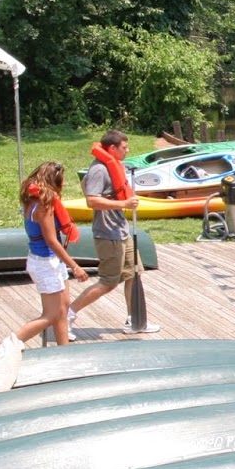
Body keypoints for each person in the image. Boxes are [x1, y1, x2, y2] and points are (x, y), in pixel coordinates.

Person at [68, 130, 159, 334]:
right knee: (109, 282)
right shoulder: (99, 170)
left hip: (122, 231)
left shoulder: (114, 166)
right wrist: (124, 203)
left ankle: (134, 319)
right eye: (124, 147)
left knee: (134, 274)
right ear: (112, 148)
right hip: (108, 233)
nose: (128, 150)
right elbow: (91, 200)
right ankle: (68, 314)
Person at [9, 161, 89, 347]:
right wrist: (75, 266)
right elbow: (52, 241)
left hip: (51, 262)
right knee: (52, 314)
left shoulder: (33, 200)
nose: (65, 185)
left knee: (63, 308)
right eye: (62, 181)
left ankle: (64, 352)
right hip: (45, 263)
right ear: (54, 182)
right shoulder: (44, 206)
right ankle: (9, 345)